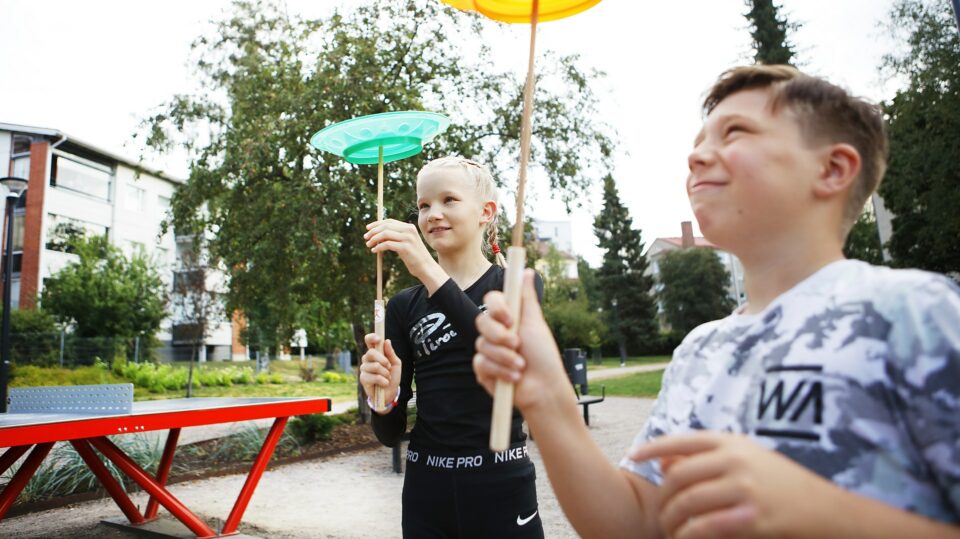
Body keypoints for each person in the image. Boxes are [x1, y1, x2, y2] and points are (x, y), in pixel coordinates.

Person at [472, 65, 960, 538]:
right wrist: (548, 400)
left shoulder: (915, 314)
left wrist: (823, 513)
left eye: (736, 132)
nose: (696, 157)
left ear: (832, 169)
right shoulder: (699, 350)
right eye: (698, 143)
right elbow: (639, 524)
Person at [360, 156, 546, 538]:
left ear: (485, 212)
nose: (433, 214)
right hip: (427, 487)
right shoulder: (402, 306)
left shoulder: (516, 284)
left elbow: (502, 357)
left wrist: (427, 269)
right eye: (424, 205)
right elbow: (390, 435)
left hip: (501, 481)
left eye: (449, 200)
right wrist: (385, 398)